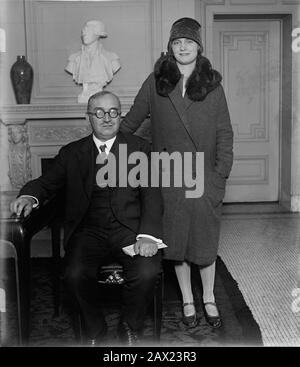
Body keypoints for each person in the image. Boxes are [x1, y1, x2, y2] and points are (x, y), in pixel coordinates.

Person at [10, 91, 163, 345]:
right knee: (74, 274)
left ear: (120, 115)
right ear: (88, 117)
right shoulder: (72, 153)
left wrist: (147, 235)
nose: (107, 118)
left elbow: (152, 196)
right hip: (88, 231)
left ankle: (129, 326)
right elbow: (45, 184)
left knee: (148, 271)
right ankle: (96, 330)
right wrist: (29, 197)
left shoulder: (141, 149)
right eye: (99, 113)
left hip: (129, 228)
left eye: (113, 112)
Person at [121, 17, 233, 329]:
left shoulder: (213, 86)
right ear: (170, 47)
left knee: (204, 242)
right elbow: (131, 122)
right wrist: (101, 144)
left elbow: (225, 133)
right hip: (168, 177)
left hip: (204, 178)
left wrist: (219, 176)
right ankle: (186, 298)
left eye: (189, 41)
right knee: (177, 243)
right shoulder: (157, 81)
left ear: (199, 46)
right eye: (177, 42)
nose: (183, 46)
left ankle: (208, 297)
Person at [65, 20, 121, 103]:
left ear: (98, 34)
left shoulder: (111, 58)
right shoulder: (74, 59)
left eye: (88, 31)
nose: (84, 34)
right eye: (83, 32)